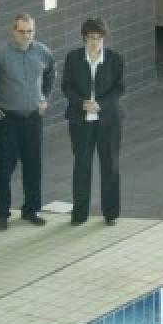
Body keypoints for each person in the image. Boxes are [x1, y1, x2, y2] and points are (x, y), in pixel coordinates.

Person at [0, 13, 57, 230]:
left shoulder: (42, 51)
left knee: (33, 167)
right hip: (7, 120)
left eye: (30, 31)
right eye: (22, 31)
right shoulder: (0, 54)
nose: (27, 35)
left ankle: (31, 210)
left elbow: (50, 74)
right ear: (13, 31)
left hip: (32, 119)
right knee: (3, 168)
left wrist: (45, 98)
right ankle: (1, 214)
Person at [61, 18, 125, 226]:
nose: (95, 42)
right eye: (90, 38)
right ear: (84, 38)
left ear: (103, 38)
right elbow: (66, 87)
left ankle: (111, 214)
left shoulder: (115, 59)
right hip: (81, 120)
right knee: (82, 166)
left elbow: (120, 88)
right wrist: (82, 103)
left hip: (108, 120)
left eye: (98, 38)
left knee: (110, 166)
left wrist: (101, 104)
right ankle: (79, 214)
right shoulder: (73, 58)